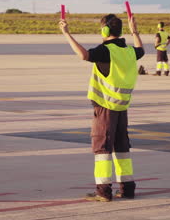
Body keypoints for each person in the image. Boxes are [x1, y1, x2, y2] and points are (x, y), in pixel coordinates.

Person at [59, 13, 144, 202]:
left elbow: (83, 55)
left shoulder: (106, 51)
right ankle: (127, 188)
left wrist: (66, 33)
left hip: (105, 107)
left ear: (105, 30)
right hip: (122, 107)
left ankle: (103, 191)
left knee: (102, 148)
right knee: (122, 147)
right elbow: (141, 49)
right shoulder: (129, 51)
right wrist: (135, 31)